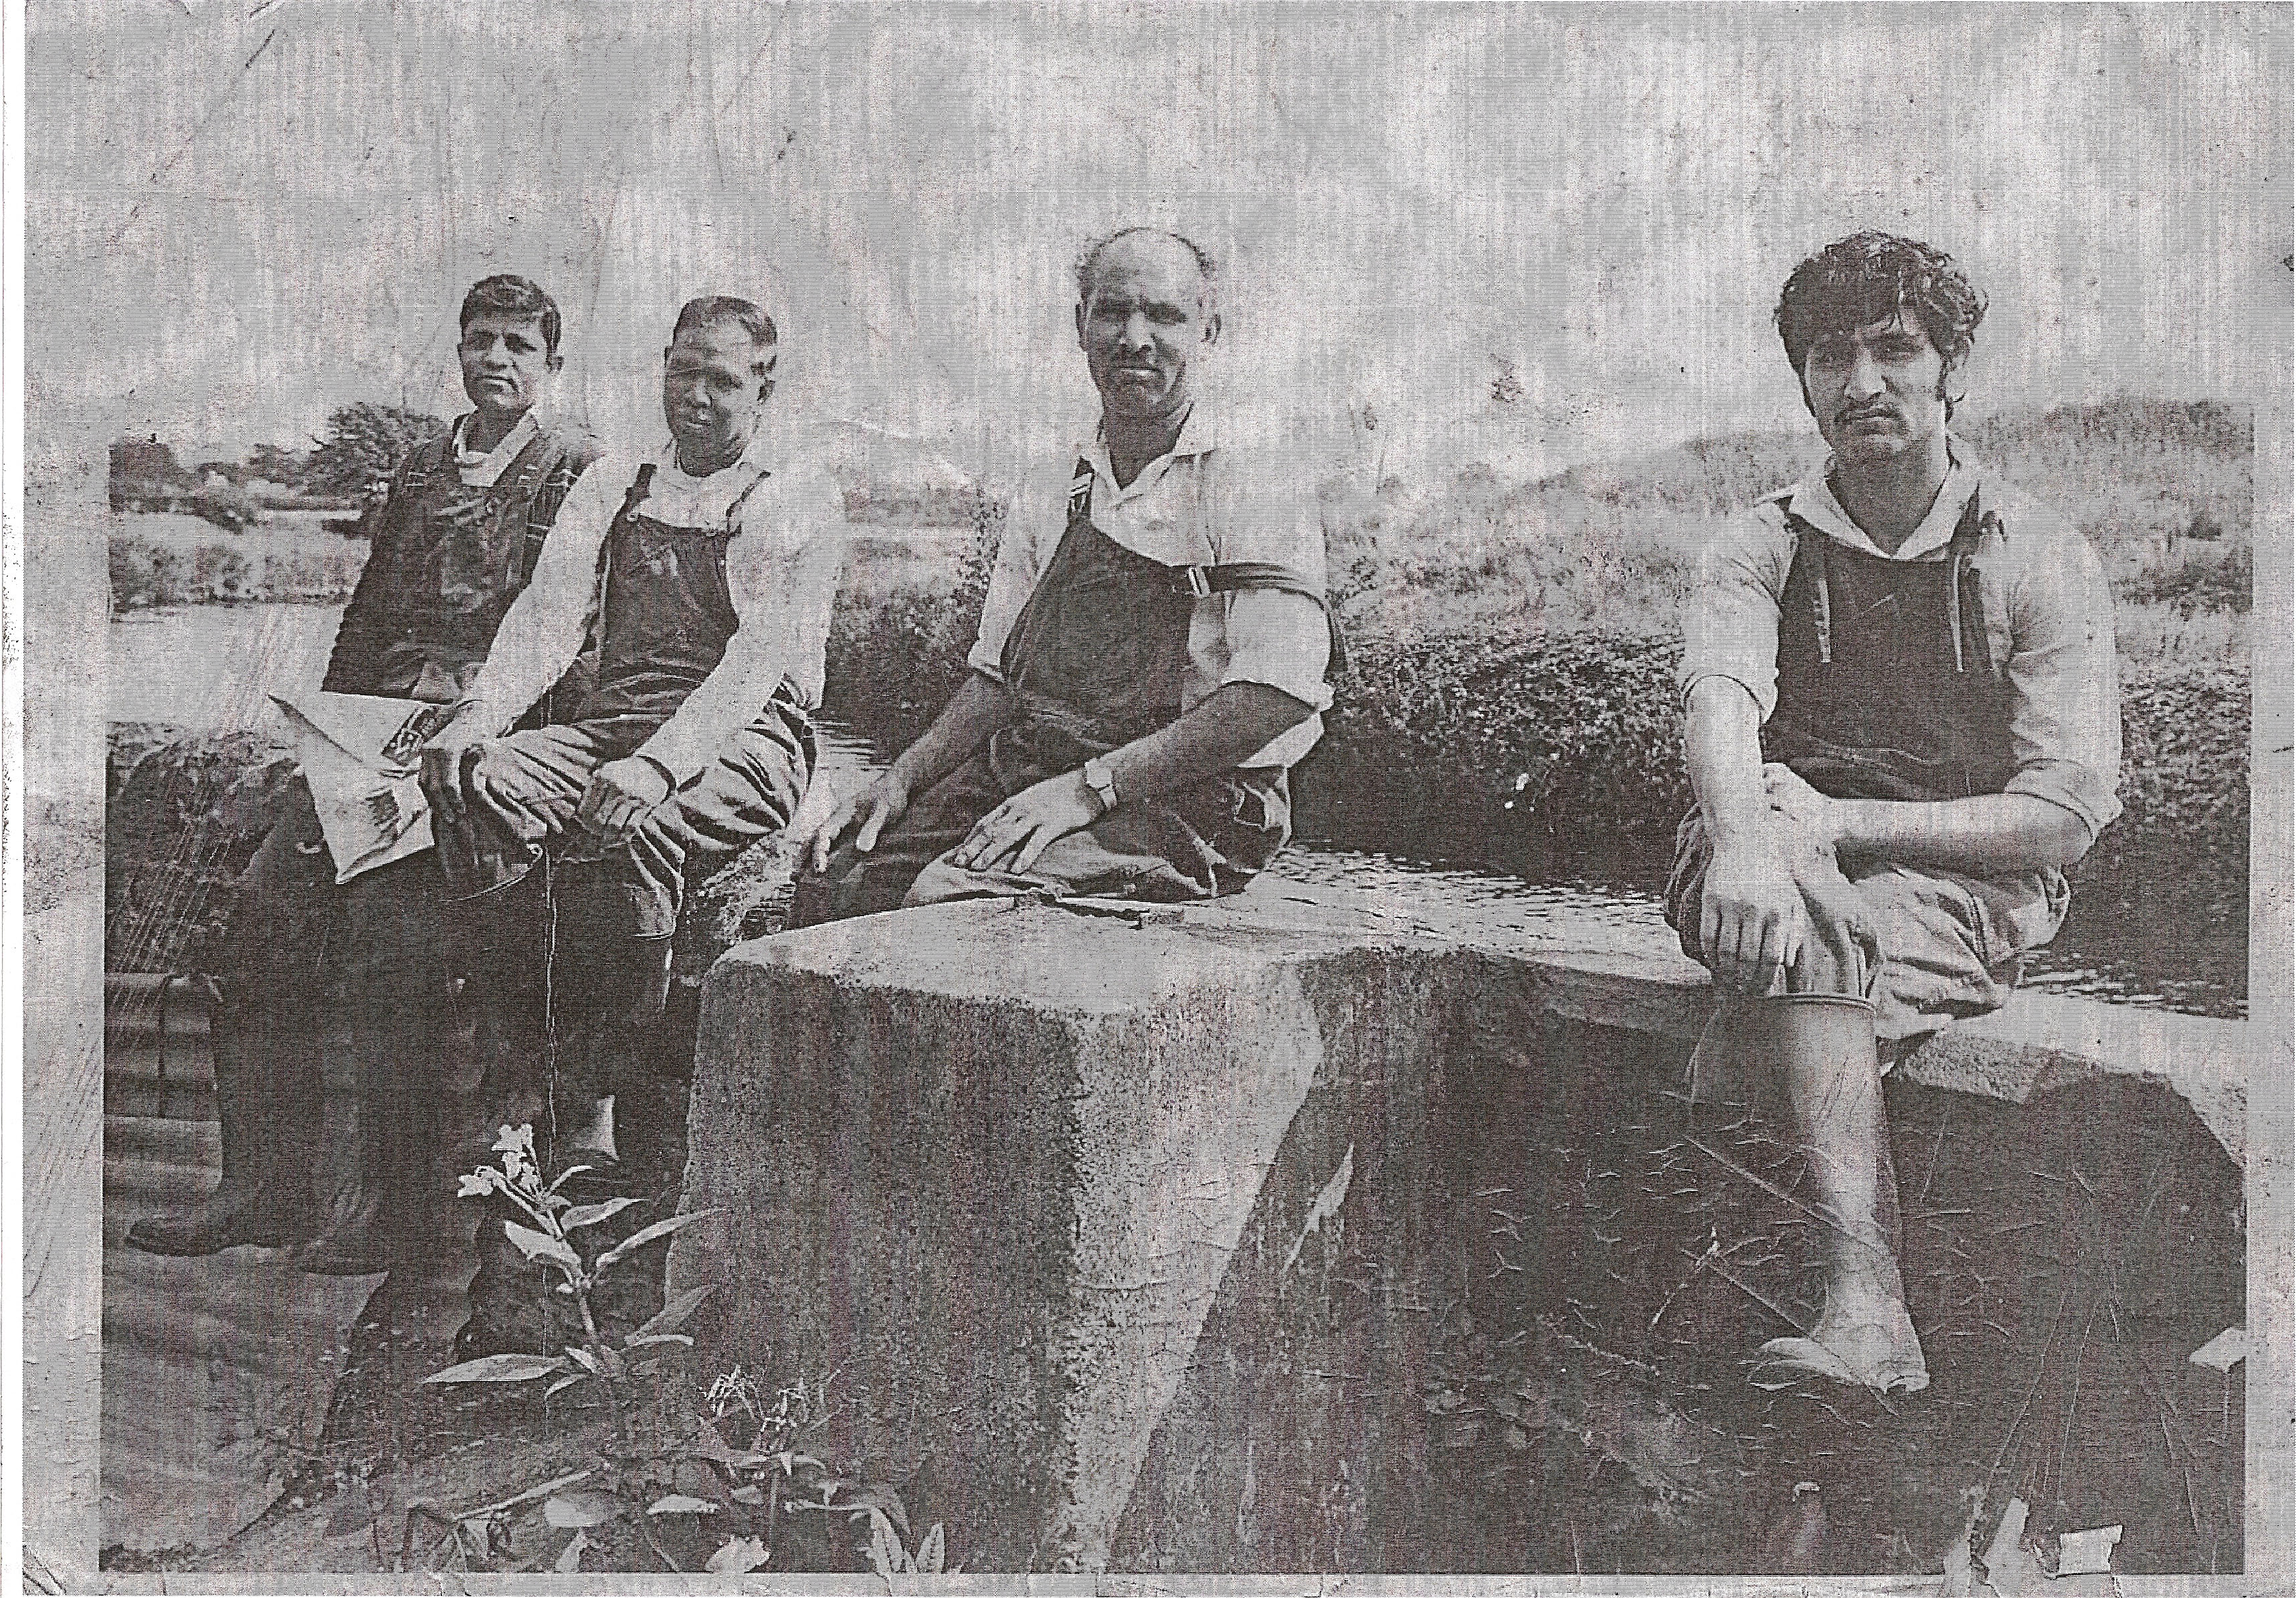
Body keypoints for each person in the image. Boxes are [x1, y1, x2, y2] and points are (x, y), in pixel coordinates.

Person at [1668, 233, 2121, 1394]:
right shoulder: (1761, 542)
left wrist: (1838, 827)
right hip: (1758, 848)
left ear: (1951, 365)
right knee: (1794, 916)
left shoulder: (2036, 553)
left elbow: (2062, 812)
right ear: (1801, 378)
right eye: (1831, 355)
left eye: (1895, 348)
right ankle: (1854, 1321)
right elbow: (1718, 698)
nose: (1863, 382)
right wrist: (1751, 839)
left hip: (1959, 873)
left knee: (1789, 977)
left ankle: (1866, 1309)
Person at [127, 274, 602, 1272]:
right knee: (261, 916)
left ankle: (393, 1211)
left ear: (554, 363)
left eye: (519, 345)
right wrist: (327, 739)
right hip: (369, 746)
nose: (496, 361)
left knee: (397, 944)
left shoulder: (577, 474)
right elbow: (370, 618)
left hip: (482, 754)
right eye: (480, 342)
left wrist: (484, 734)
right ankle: (263, 1187)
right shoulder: (426, 466)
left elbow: (580, 643)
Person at [794, 228, 1336, 922]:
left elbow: (1276, 697)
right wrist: (899, 778)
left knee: (952, 903)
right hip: (1039, 768)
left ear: (1209, 330)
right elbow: (997, 680)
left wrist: (1089, 790)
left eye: (1164, 315)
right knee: (836, 872)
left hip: (1196, 799)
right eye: (1111, 312)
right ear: (1080, 325)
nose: (1134, 338)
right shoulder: (1058, 482)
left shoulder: (1251, 475)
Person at [419, 294, 840, 1185]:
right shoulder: (621, 480)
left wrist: (657, 767)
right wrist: (479, 718)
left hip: (755, 737)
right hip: (617, 723)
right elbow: (546, 618)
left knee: (637, 830)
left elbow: (756, 662)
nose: (694, 395)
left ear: (765, 387)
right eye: (681, 371)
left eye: (720, 380)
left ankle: (599, 1109)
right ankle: (516, 1072)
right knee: (474, 785)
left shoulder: (793, 491)